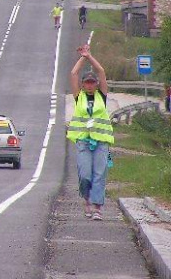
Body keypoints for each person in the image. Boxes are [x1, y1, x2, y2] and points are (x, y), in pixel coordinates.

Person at [68, 44, 112, 221]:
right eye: (87, 82)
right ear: (83, 84)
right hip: (84, 142)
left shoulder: (102, 95)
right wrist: (82, 58)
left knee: (99, 174)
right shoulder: (79, 96)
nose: (89, 85)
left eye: (92, 82)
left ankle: (97, 208)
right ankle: (86, 200)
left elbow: (101, 71)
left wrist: (90, 56)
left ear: (96, 84)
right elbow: (73, 74)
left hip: (101, 141)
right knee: (85, 174)